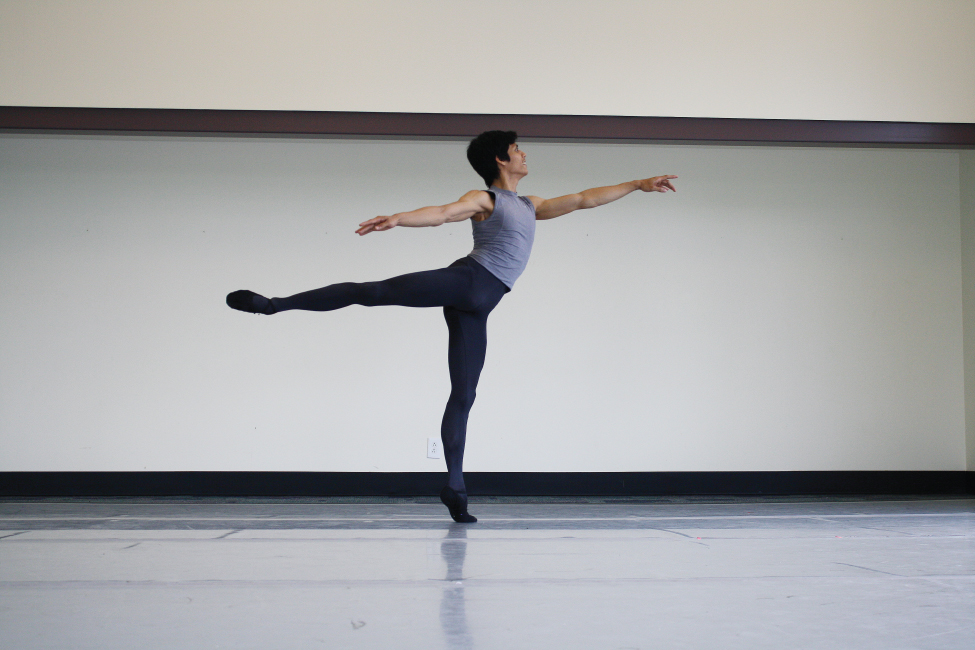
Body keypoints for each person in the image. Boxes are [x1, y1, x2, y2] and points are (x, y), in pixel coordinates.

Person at [227, 130, 677, 522]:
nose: (525, 156)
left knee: (464, 394)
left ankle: (455, 488)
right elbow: (444, 212)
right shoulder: (488, 199)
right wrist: (400, 218)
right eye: (518, 150)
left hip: (480, 305)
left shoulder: (530, 204)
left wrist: (637, 184)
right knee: (376, 291)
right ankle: (274, 305)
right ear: (501, 159)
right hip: (467, 281)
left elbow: (582, 199)